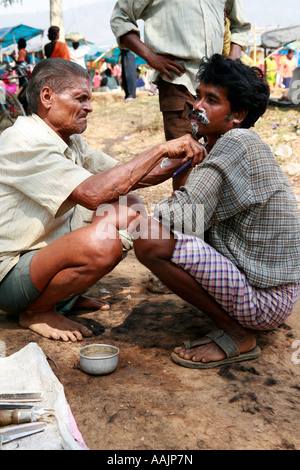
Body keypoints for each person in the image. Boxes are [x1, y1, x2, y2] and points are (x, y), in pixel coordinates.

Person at [0, 57, 204, 342]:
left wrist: (189, 153)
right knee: (103, 241)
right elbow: (95, 193)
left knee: (129, 205)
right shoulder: (24, 140)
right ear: (47, 96)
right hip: (9, 275)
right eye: (81, 98)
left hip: (41, 259)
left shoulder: (69, 141)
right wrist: (161, 148)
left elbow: (135, 177)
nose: (90, 107)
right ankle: (36, 310)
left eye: (89, 98)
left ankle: (63, 297)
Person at [132, 54, 300, 369]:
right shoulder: (225, 144)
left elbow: (176, 217)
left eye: (211, 100)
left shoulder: (236, 142)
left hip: (267, 301)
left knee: (147, 237)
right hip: (277, 294)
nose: (197, 106)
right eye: (198, 96)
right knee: (157, 231)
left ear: (237, 114)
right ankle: (237, 326)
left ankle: (238, 335)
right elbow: (190, 218)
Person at [111, 0, 251, 140]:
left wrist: (233, 59)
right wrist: (150, 56)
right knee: (183, 153)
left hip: (217, 82)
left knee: (225, 149)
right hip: (178, 79)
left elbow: (240, 25)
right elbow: (121, 18)